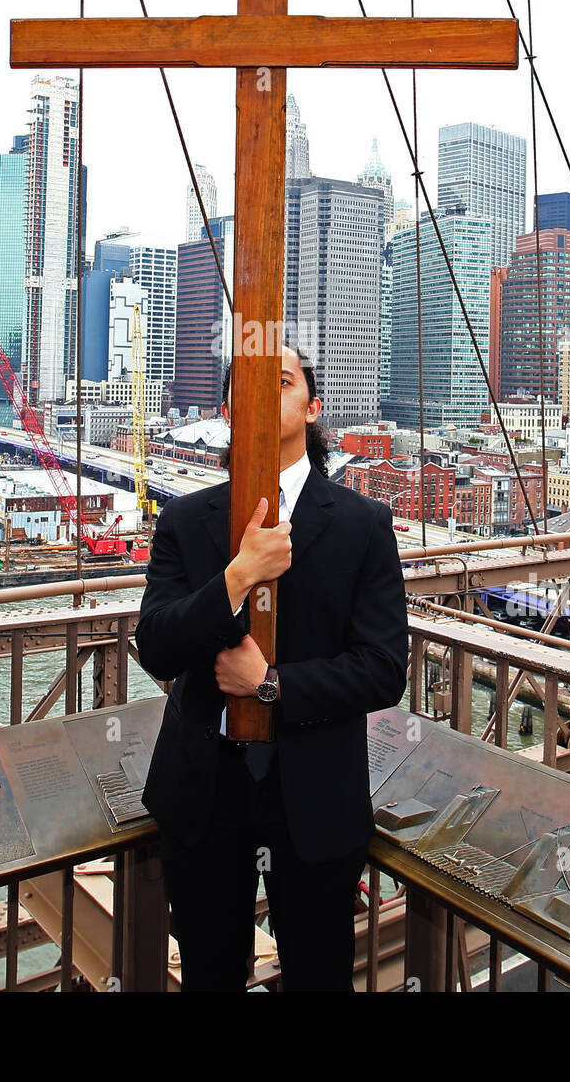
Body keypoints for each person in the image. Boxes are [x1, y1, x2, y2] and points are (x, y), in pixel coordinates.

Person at [134, 344, 409, 992]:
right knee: (208, 975)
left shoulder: (363, 526)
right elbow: (156, 645)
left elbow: (382, 668)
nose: (262, 395)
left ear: (312, 407)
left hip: (313, 797)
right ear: (227, 411)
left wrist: (271, 685)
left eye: (280, 381)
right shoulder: (182, 519)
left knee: (318, 978)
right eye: (246, 387)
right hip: (203, 795)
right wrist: (236, 578)